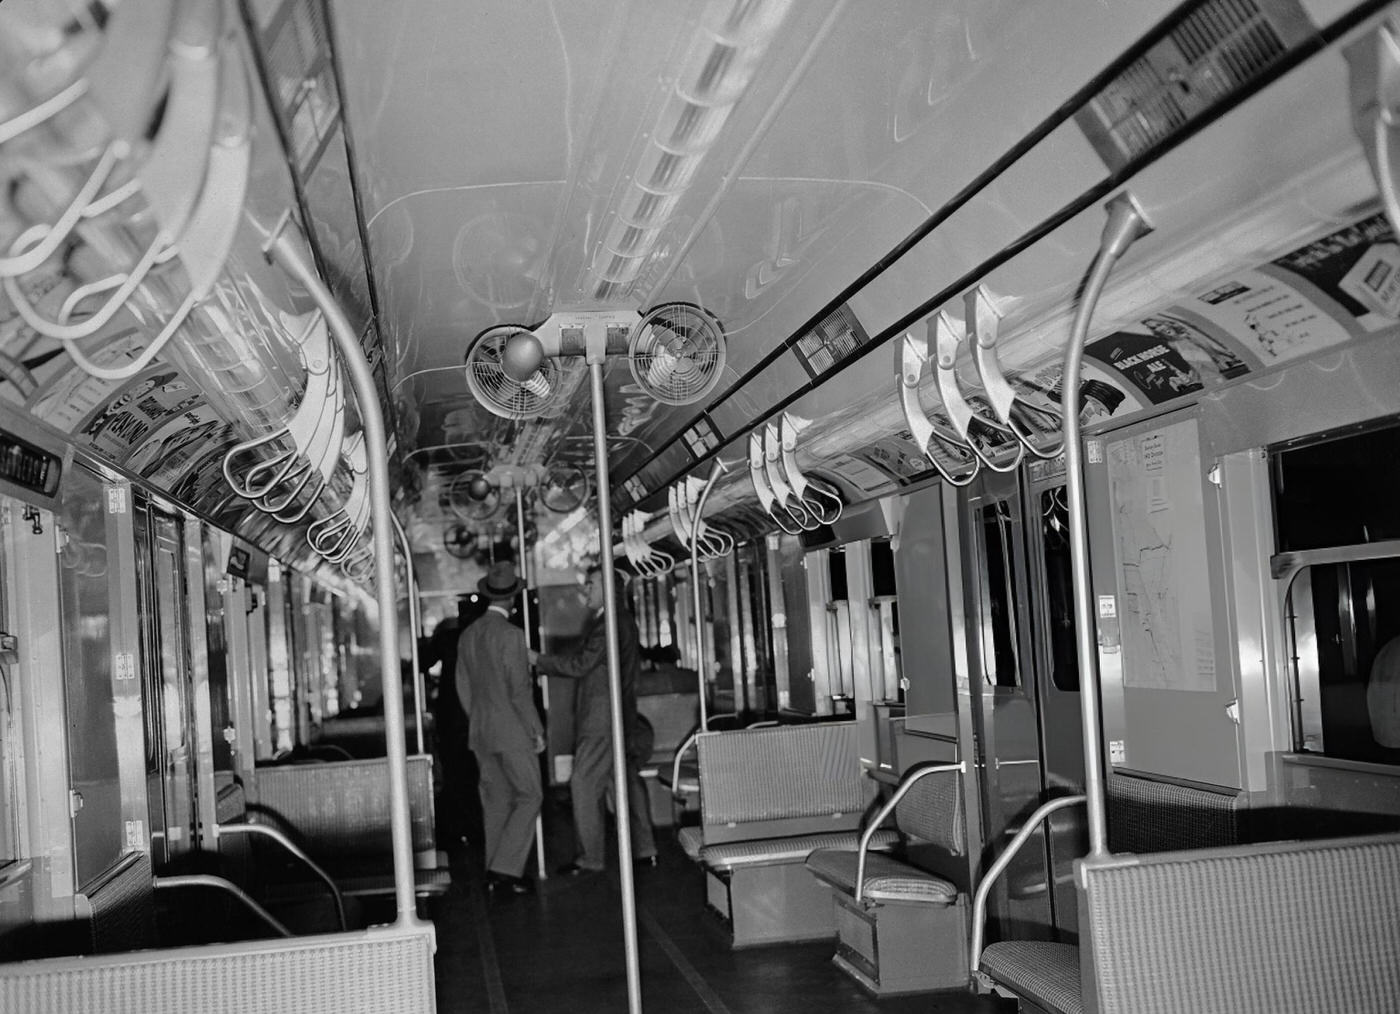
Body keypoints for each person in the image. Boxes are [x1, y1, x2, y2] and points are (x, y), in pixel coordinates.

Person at [534, 565, 657, 875]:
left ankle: (590, 858)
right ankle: (646, 849)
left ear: (608, 588)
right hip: (618, 715)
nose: (585, 591)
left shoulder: (609, 624)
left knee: (584, 784)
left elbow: (582, 664)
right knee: (624, 781)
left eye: (590, 585)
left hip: (602, 719)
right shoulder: (619, 620)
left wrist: (538, 661)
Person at [456, 562, 544, 895]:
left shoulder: (468, 635)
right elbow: (519, 690)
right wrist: (535, 729)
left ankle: (495, 872)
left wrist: (479, 718)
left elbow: (463, 686)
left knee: (495, 801)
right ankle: (505, 869)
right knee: (530, 795)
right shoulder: (512, 636)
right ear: (514, 599)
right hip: (512, 732)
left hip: (480, 732)